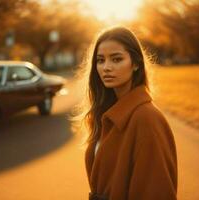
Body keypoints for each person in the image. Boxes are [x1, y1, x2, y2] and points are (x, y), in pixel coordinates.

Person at [74, 26, 177, 200]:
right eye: (100, 60)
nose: (106, 67)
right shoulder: (105, 115)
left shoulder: (147, 118)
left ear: (136, 63)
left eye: (116, 59)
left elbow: (157, 192)